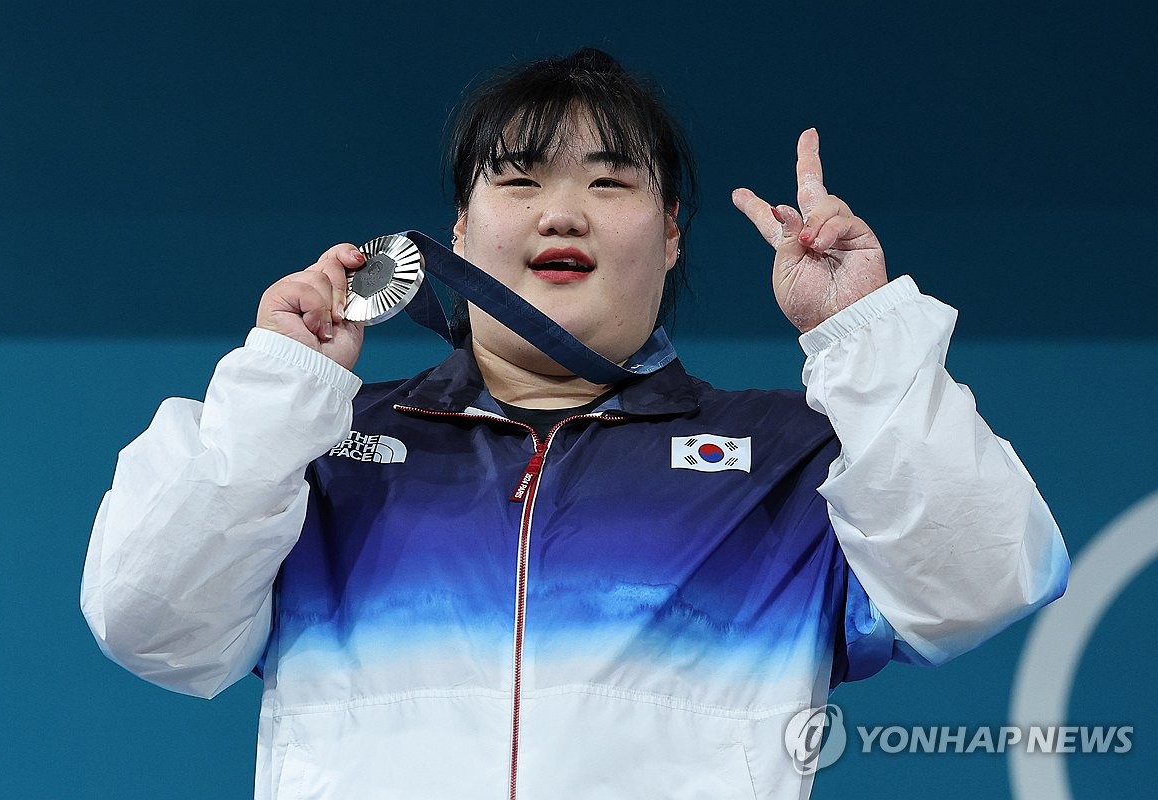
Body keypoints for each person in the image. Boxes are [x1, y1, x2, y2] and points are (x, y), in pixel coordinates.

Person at [81, 48, 1069, 799]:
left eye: (609, 182)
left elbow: (984, 579)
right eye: (519, 180)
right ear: (458, 233)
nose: (564, 213)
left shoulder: (791, 455)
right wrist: (277, 386)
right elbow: (150, 620)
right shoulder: (319, 452)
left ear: (672, 233)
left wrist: (864, 331)